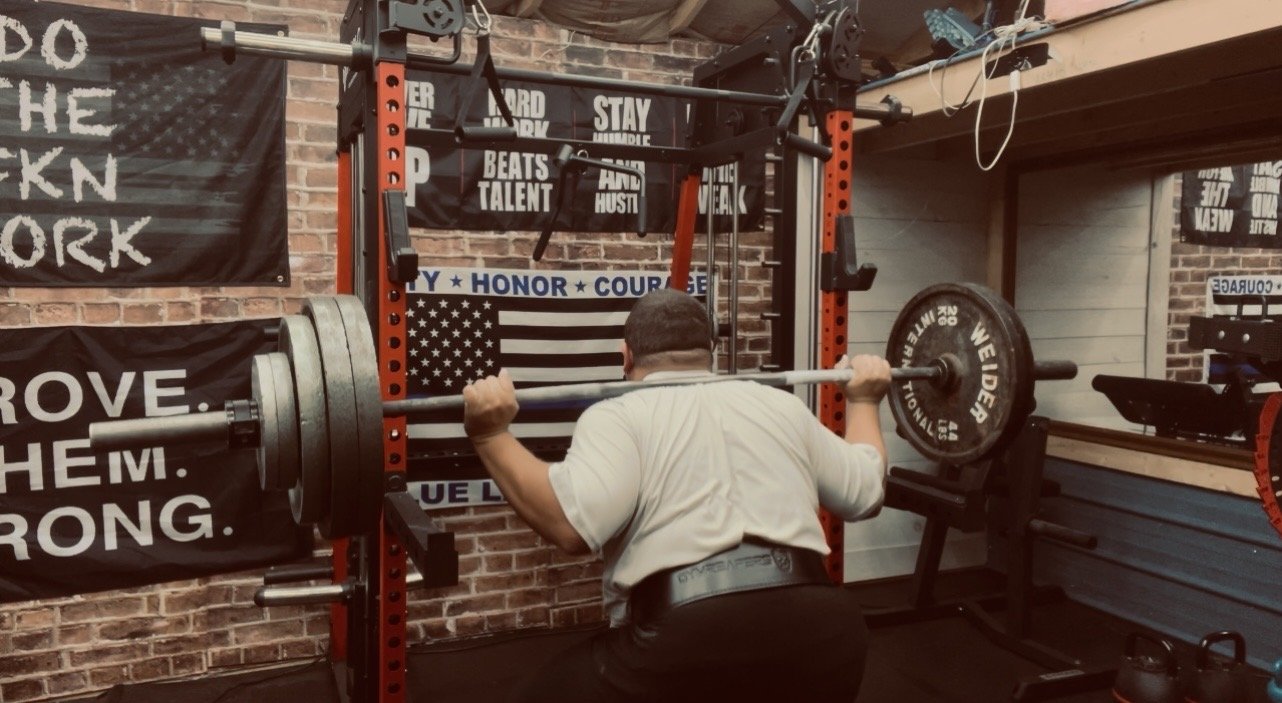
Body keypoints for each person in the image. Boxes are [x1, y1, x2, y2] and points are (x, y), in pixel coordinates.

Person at [462, 287, 891, 703]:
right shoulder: (781, 405)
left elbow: (570, 526)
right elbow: (866, 493)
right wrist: (865, 400)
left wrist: (490, 435)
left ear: (625, 356)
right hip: (825, 636)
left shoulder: (617, 414)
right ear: (710, 353)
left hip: (686, 642)